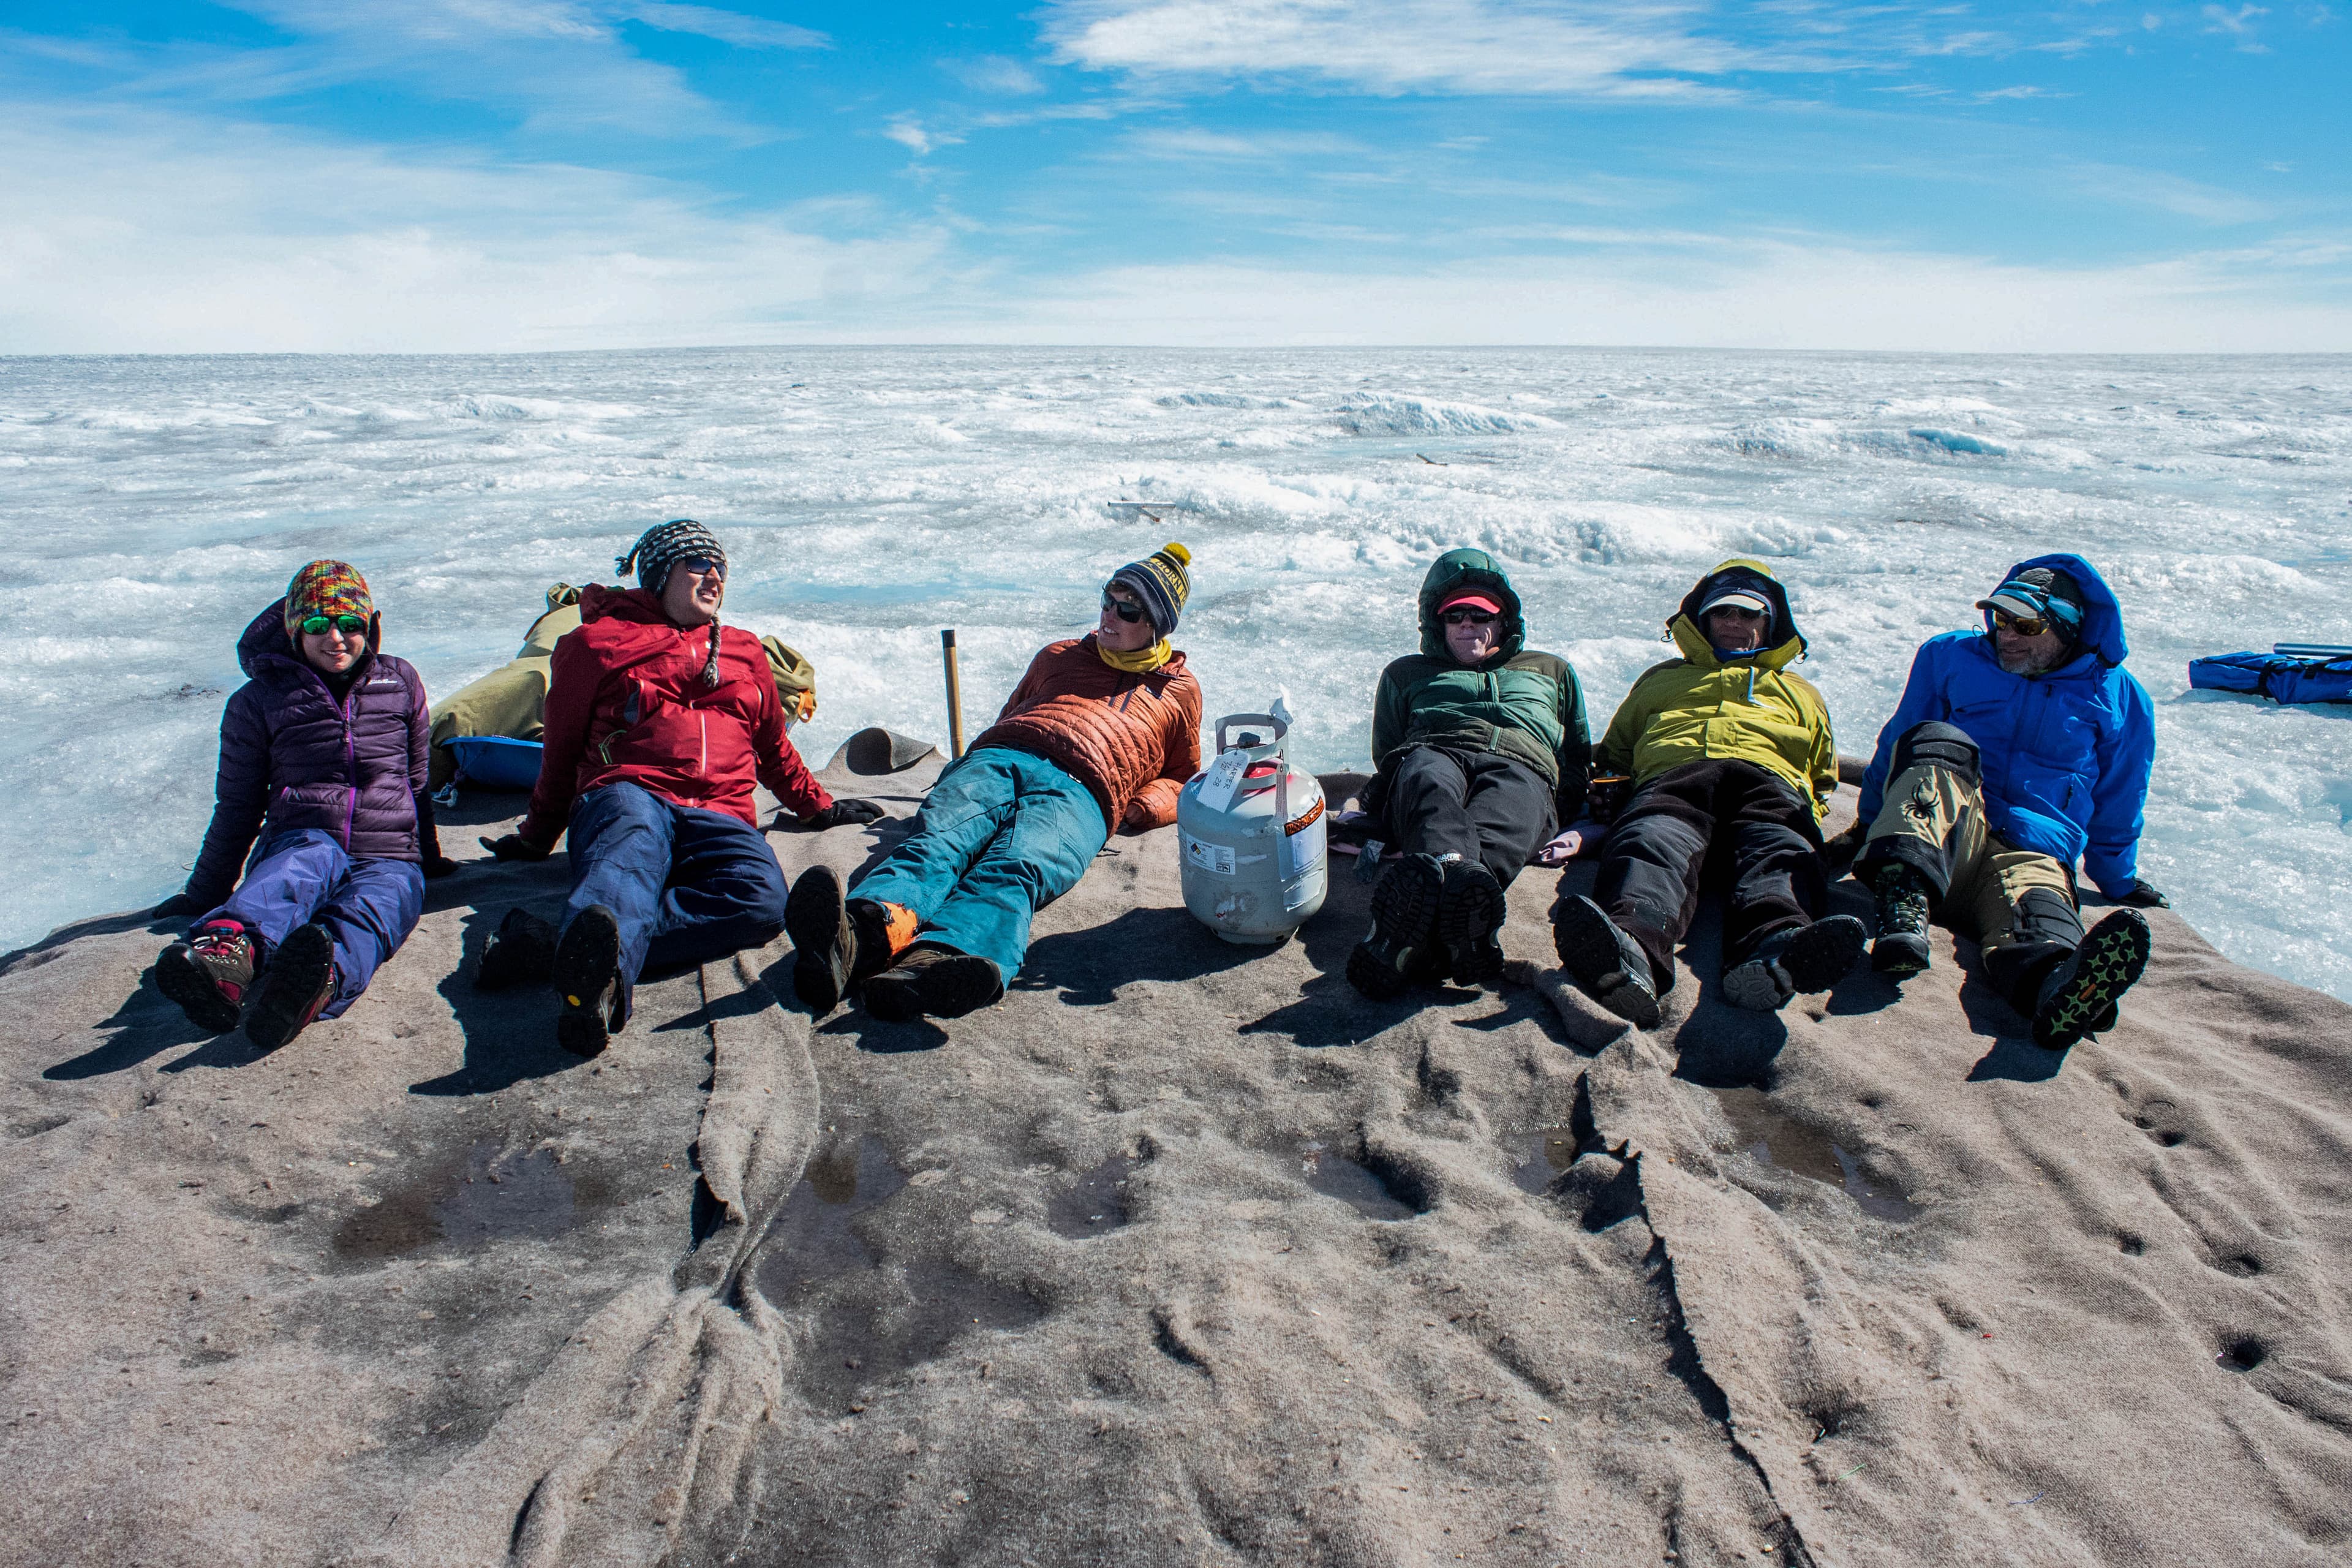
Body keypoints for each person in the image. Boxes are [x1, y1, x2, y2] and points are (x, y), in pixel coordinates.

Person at [479, 519, 883, 1057]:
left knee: (761, 902)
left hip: (721, 811)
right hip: (630, 793)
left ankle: (570, 950)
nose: (714, 576)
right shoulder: (595, 645)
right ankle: (595, 995)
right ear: (659, 575)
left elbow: (771, 746)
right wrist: (536, 838)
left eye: (720, 567)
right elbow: (562, 750)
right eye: (697, 564)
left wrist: (817, 808)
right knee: (627, 862)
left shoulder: (744, 651)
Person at [787, 544, 1203, 1024]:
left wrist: (1146, 804)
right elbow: (1010, 713)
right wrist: (971, 765)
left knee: (1017, 866)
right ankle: (858, 938)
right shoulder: (1058, 655)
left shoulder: (1178, 690)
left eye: (1128, 610)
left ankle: (938, 964)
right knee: (938, 841)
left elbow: (1183, 777)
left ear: (1156, 625)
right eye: (1108, 600)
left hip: (1083, 790)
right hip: (1003, 756)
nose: (1110, 615)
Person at [1852, 556, 2162, 1049]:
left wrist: (2118, 880)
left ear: (2067, 629)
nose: (2007, 635)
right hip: (1945, 837)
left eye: (2027, 625)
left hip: (2032, 849)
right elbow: (1898, 745)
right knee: (1939, 742)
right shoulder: (1949, 656)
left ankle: (2056, 987)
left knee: (2042, 924)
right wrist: (1869, 824)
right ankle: (1904, 905)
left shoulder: (2121, 697)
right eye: (2000, 618)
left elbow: (2120, 796)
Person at [151, 560, 451, 1050]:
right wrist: (204, 891)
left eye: (350, 623)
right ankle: (227, 957)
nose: (336, 637)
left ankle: (316, 984)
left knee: (377, 908)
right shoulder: (259, 700)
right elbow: (238, 804)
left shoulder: (399, 682)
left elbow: (416, 782)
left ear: (370, 626)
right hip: (303, 835)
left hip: (389, 854)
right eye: (317, 624)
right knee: (297, 870)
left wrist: (428, 858)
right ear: (295, 629)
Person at [1551, 559, 1864, 1026]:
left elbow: (1821, 776)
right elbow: (1617, 752)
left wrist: (1808, 817)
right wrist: (1612, 795)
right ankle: (1633, 948)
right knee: (1652, 839)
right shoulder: (1662, 679)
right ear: (1703, 620)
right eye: (1722, 612)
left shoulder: (1801, 693)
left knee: (1781, 846)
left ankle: (1775, 949)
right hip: (1677, 777)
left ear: (1769, 622)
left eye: (1748, 614)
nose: (1734, 622)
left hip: (1767, 782)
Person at [1348, 549, 1589, 997]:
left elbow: (1576, 751)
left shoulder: (1550, 669)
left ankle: (1417, 940)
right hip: (1435, 748)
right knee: (1428, 784)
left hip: (1523, 763)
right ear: (1436, 623)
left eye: (1480, 614)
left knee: (1509, 809)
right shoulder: (1406, 673)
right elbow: (1388, 750)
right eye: (1454, 615)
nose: (1467, 624)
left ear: (1503, 620)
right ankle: (1458, 917)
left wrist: (1562, 801)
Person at [426, 584, 819, 793]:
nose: (714, 578)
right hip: (622, 777)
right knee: (536, 678)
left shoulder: (709, 640)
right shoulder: (579, 644)